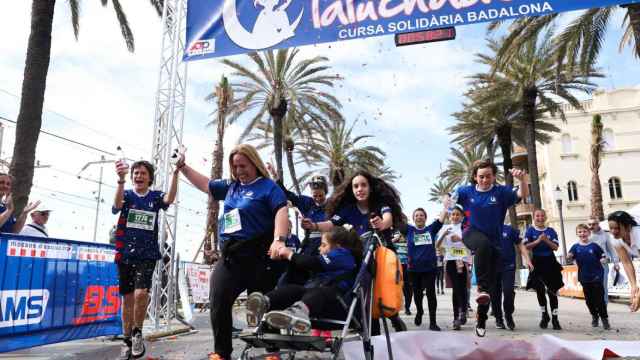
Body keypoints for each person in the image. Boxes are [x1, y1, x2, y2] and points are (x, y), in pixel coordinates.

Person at [178, 144, 289, 360]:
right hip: (231, 257)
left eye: (243, 166)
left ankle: (272, 352)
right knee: (218, 299)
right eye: (235, 166)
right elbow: (206, 185)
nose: (239, 171)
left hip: (260, 257)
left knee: (264, 304)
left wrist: (279, 240)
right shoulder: (231, 186)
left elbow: (281, 212)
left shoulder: (268, 187)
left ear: (255, 164)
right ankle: (222, 353)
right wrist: (182, 166)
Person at [310, 170, 407, 333]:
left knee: (382, 293)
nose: (359, 189)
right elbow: (330, 224)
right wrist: (313, 226)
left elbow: (388, 218)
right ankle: (369, 328)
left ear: (370, 188)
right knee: (364, 293)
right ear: (352, 190)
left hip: (381, 257)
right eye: (356, 186)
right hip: (360, 258)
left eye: (363, 185)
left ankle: (393, 316)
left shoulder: (380, 205)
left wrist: (382, 224)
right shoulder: (347, 210)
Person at [112, 159, 179, 359]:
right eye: (136, 173)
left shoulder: (156, 196)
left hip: (147, 254)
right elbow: (116, 206)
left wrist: (176, 172)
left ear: (150, 178)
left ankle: (137, 332)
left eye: (142, 173)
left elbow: (170, 198)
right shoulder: (126, 194)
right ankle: (126, 340)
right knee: (128, 299)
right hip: (125, 253)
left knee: (141, 294)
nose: (138, 176)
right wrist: (121, 180)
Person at [453, 160, 528, 337]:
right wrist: (447, 201)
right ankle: (480, 287)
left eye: (488, 176)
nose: (485, 180)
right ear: (474, 177)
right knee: (483, 247)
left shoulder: (501, 192)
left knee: (491, 288)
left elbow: (521, 194)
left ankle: (481, 319)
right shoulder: (466, 191)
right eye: (481, 177)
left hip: (494, 243)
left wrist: (523, 180)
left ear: (494, 177)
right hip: (470, 232)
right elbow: (450, 199)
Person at [245, 226, 362, 332]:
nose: (319, 248)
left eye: (324, 245)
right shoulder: (333, 259)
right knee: (295, 290)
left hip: (337, 304)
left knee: (319, 292)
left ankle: (298, 312)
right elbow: (305, 266)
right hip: (318, 301)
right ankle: (263, 303)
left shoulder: (344, 255)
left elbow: (312, 262)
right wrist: (284, 256)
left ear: (338, 246)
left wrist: (290, 254)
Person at [267, 164, 329, 286]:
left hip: (324, 247)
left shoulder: (332, 206)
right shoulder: (308, 203)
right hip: (307, 246)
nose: (317, 198)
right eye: (315, 195)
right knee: (285, 279)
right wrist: (275, 177)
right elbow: (289, 195)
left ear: (325, 192)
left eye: (320, 195)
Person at [406, 206, 446, 331]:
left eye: (421, 215)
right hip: (414, 269)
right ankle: (419, 311)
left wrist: (446, 205)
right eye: (416, 215)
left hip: (429, 269)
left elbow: (441, 219)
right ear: (413, 218)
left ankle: (433, 322)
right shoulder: (409, 230)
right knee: (417, 295)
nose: (419, 217)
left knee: (431, 294)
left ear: (425, 218)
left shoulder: (431, 229)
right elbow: (396, 219)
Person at [524, 209, 564, 331]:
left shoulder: (551, 231)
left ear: (545, 217)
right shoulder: (530, 230)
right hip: (537, 262)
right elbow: (526, 246)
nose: (540, 218)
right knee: (540, 291)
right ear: (534, 217)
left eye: (542, 216)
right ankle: (544, 315)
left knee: (552, 291)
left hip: (550, 262)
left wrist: (546, 240)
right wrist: (537, 241)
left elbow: (556, 247)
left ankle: (555, 318)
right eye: (537, 216)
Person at [567, 224, 611, 330]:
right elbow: (569, 258)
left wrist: (604, 260)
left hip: (597, 276)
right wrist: (569, 257)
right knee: (589, 300)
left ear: (589, 233)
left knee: (599, 299)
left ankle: (605, 319)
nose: (583, 234)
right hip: (584, 277)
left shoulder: (594, 246)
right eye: (580, 232)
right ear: (577, 234)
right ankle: (594, 316)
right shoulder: (575, 247)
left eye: (584, 231)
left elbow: (604, 256)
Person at [436, 205, 471, 330]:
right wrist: (444, 233)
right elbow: (437, 245)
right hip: (450, 261)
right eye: (453, 214)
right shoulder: (445, 227)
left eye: (458, 214)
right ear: (450, 216)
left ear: (462, 217)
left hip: (462, 260)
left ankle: (462, 311)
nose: (455, 216)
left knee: (462, 288)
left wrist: (460, 238)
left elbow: (472, 245)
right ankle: (458, 316)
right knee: (456, 288)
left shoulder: (466, 228)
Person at [492, 223, 532, 330]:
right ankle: (498, 318)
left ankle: (508, 315)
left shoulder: (509, 229)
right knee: (495, 294)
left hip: (508, 266)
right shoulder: (486, 228)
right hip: (492, 267)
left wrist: (528, 260)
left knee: (508, 290)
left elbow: (520, 244)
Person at [606, 210, 640, 311]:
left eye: (617, 228)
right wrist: (634, 286)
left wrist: (638, 297)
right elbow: (626, 262)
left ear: (628, 227)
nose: (613, 232)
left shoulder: (638, 234)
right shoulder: (614, 239)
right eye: (611, 228)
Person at [588, 217, 620, 305]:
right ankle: (595, 306)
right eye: (589, 224)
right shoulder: (586, 234)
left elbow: (611, 250)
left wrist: (616, 263)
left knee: (603, 286)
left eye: (593, 224)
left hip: (603, 264)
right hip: (590, 265)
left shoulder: (605, 235)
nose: (591, 226)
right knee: (592, 287)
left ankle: (604, 306)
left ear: (598, 224)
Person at [394, 230, 413, 315]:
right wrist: (395, 239)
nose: (401, 236)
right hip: (396, 268)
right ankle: (396, 308)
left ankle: (407, 307)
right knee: (397, 288)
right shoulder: (394, 243)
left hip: (408, 268)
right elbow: (385, 245)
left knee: (408, 289)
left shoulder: (410, 242)